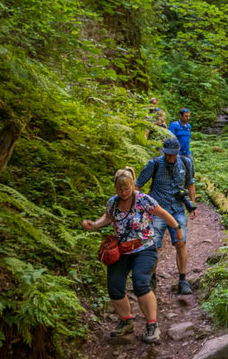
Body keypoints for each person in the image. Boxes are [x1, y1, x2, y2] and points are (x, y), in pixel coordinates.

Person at [81, 167, 183, 343]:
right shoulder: (112, 202)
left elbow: (163, 213)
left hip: (144, 248)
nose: (124, 192)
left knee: (141, 282)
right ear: (115, 188)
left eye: (127, 188)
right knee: (114, 285)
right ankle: (126, 321)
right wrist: (94, 225)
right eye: (120, 189)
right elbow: (107, 217)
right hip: (122, 250)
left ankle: (152, 325)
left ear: (132, 185)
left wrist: (177, 228)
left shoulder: (143, 200)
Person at [136, 137, 196, 295]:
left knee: (181, 243)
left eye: (172, 155)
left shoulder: (186, 163)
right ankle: (152, 277)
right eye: (167, 154)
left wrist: (192, 205)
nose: (170, 157)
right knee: (154, 245)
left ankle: (183, 280)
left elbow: (190, 183)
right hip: (157, 210)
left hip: (177, 209)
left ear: (177, 152)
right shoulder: (154, 164)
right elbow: (137, 185)